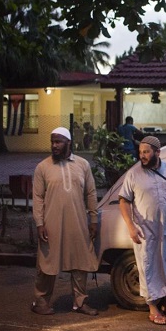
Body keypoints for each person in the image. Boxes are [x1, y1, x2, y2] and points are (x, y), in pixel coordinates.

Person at [118, 135, 166, 325]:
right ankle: (153, 308)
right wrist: (131, 227)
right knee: (149, 269)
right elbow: (123, 201)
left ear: (157, 153)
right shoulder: (134, 174)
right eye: (140, 152)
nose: (142, 156)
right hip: (146, 232)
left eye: (146, 152)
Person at [30, 127, 100, 316]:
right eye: (52, 141)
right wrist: (39, 223)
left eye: (58, 142)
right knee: (47, 263)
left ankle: (80, 302)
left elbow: (91, 193)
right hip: (50, 223)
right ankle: (41, 302)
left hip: (77, 221)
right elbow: (37, 198)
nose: (54, 145)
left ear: (69, 143)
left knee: (80, 262)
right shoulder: (42, 167)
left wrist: (93, 219)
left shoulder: (83, 165)